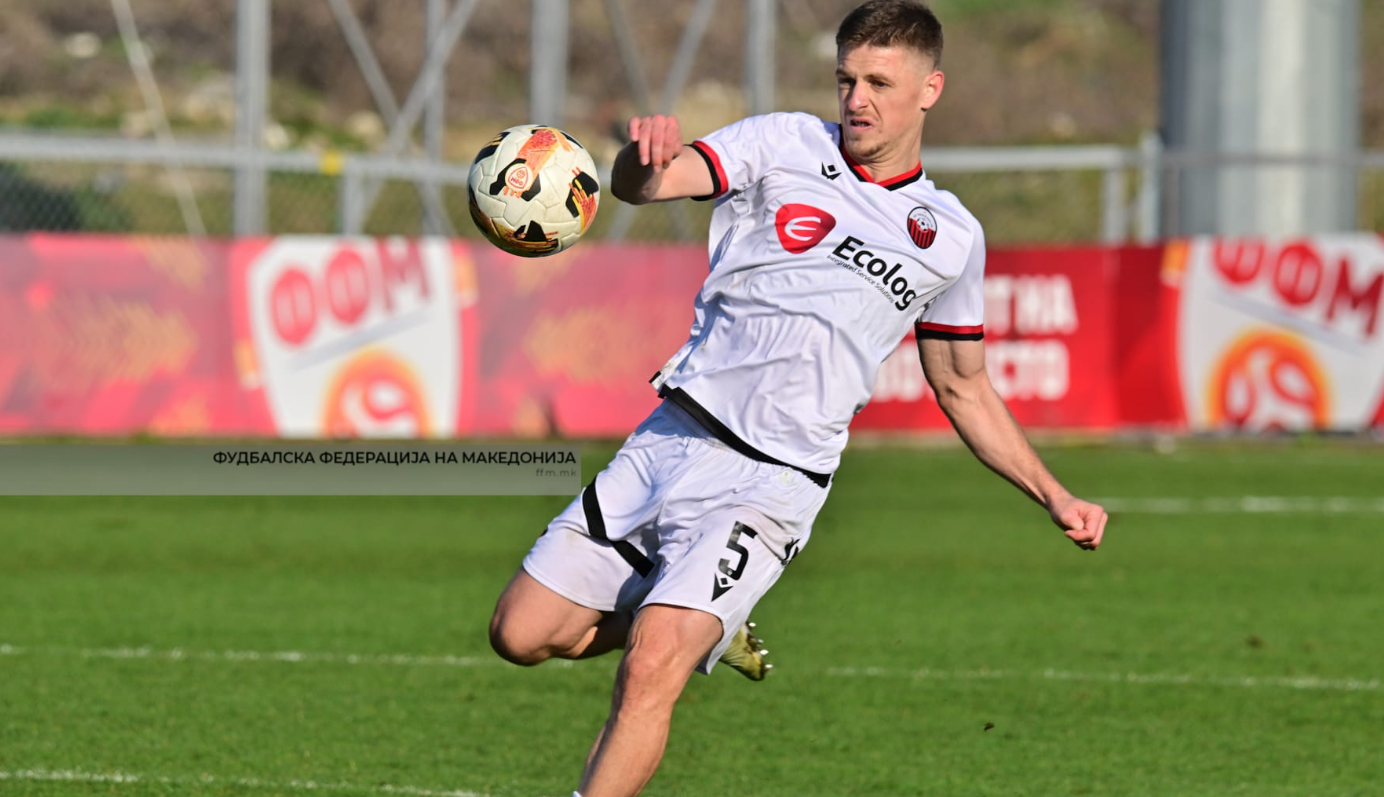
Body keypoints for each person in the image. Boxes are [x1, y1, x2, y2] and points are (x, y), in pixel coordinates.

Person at [487, 2, 1109, 795]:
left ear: (930, 89)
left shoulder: (951, 238)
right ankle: (707, 617)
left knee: (653, 664)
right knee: (520, 632)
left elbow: (962, 384)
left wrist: (1053, 493)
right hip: (671, 438)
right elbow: (652, 185)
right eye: (847, 79)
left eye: (880, 82)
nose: (857, 99)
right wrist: (641, 162)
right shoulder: (784, 142)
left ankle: (686, 621)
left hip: (772, 481)